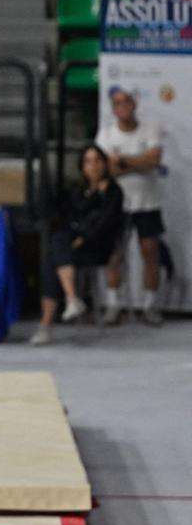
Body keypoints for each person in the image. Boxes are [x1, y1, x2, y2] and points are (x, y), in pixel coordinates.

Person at [30, 144, 123, 345]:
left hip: (97, 248)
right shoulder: (78, 190)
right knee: (54, 254)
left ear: (105, 163)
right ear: (82, 166)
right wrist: (91, 197)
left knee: (55, 255)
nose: (94, 166)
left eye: (98, 160)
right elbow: (69, 217)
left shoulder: (113, 191)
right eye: (88, 161)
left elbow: (105, 223)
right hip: (73, 247)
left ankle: (48, 323)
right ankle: (70, 300)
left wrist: (83, 237)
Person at [94, 86, 165, 325]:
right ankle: (114, 304)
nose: (122, 106)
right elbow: (104, 169)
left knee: (150, 252)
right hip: (118, 206)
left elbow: (154, 160)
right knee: (115, 254)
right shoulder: (106, 135)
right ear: (113, 108)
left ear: (134, 104)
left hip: (148, 204)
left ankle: (149, 305)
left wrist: (122, 161)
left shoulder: (150, 129)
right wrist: (140, 162)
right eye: (117, 103)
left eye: (126, 101)